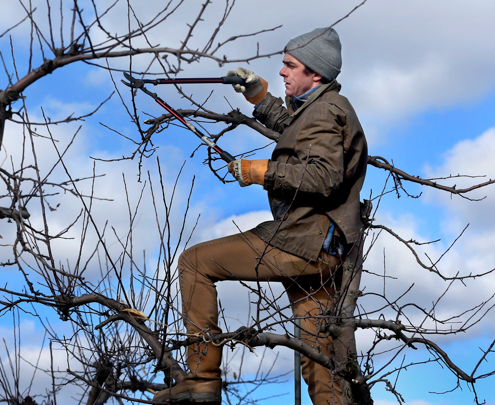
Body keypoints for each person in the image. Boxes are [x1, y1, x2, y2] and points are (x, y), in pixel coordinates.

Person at [153, 27, 368, 405]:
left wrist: (261, 172)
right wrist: (260, 96)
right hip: (325, 252)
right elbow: (297, 131)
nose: (282, 71)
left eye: (290, 66)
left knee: (195, 262)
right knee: (321, 369)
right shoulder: (324, 110)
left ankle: (202, 379)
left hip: (303, 244)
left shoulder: (325, 112)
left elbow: (322, 176)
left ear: (315, 73)